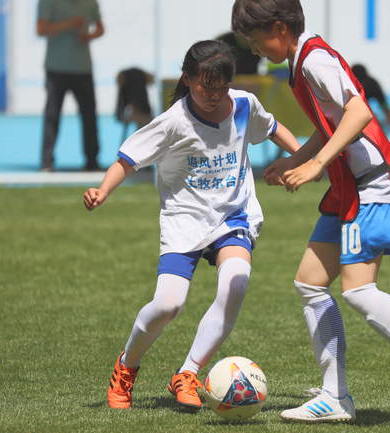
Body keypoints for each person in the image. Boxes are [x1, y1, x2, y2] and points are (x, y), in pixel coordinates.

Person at [231, 0, 390, 430]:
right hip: (348, 189)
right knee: (309, 282)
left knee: (359, 290)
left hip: (371, 185)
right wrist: (295, 159)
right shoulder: (300, 59)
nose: (255, 50)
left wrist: (317, 164)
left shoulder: (314, 59)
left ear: (280, 28)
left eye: (255, 40)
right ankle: (334, 396)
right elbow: (331, 123)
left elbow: (359, 111)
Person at [83, 40, 301, 410]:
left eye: (221, 87)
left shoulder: (245, 105)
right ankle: (126, 366)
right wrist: (102, 190)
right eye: (205, 86)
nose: (214, 95)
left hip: (233, 216)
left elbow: (275, 128)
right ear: (187, 78)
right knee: (169, 305)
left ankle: (188, 372)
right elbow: (127, 159)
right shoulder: (173, 122)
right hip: (184, 221)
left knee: (235, 286)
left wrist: (304, 159)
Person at [37, 0, 104, 172]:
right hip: (56, 67)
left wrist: (89, 36)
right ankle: (47, 161)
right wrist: (69, 24)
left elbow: (100, 28)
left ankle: (92, 161)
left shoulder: (90, 3)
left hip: (83, 68)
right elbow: (41, 29)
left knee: (89, 116)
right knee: (52, 115)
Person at [351, 64, 390, 133]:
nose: (360, 85)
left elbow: (385, 107)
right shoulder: (347, 84)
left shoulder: (372, 85)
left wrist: (389, 122)